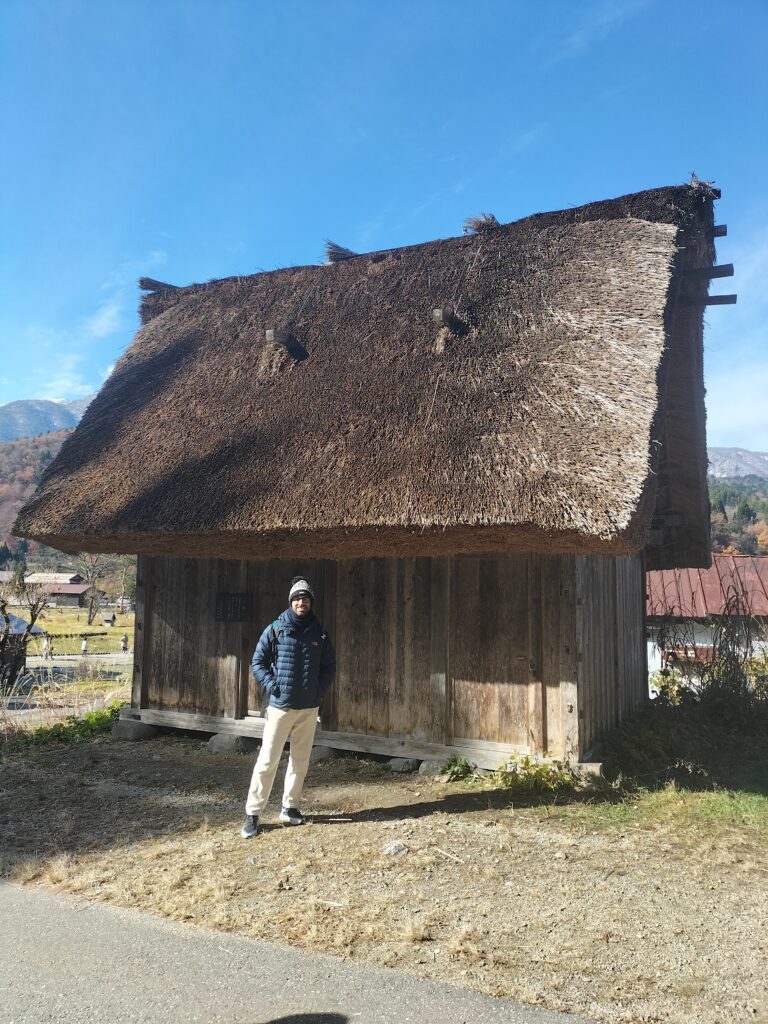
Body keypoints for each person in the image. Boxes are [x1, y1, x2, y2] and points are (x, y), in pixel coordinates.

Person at [241, 577, 336, 838]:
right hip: (281, 706)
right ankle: (253, 813)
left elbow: (329, 665)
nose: (301, 602)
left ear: (310, 602)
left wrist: (318, 690)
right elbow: (258, 661)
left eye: (305, 598)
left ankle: (290, 807)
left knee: (300, 761)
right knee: (267, 760)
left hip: (308, 708)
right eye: (296, 598)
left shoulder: (320, 631)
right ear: (290, 602)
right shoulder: (276, 629)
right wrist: (274, 686)